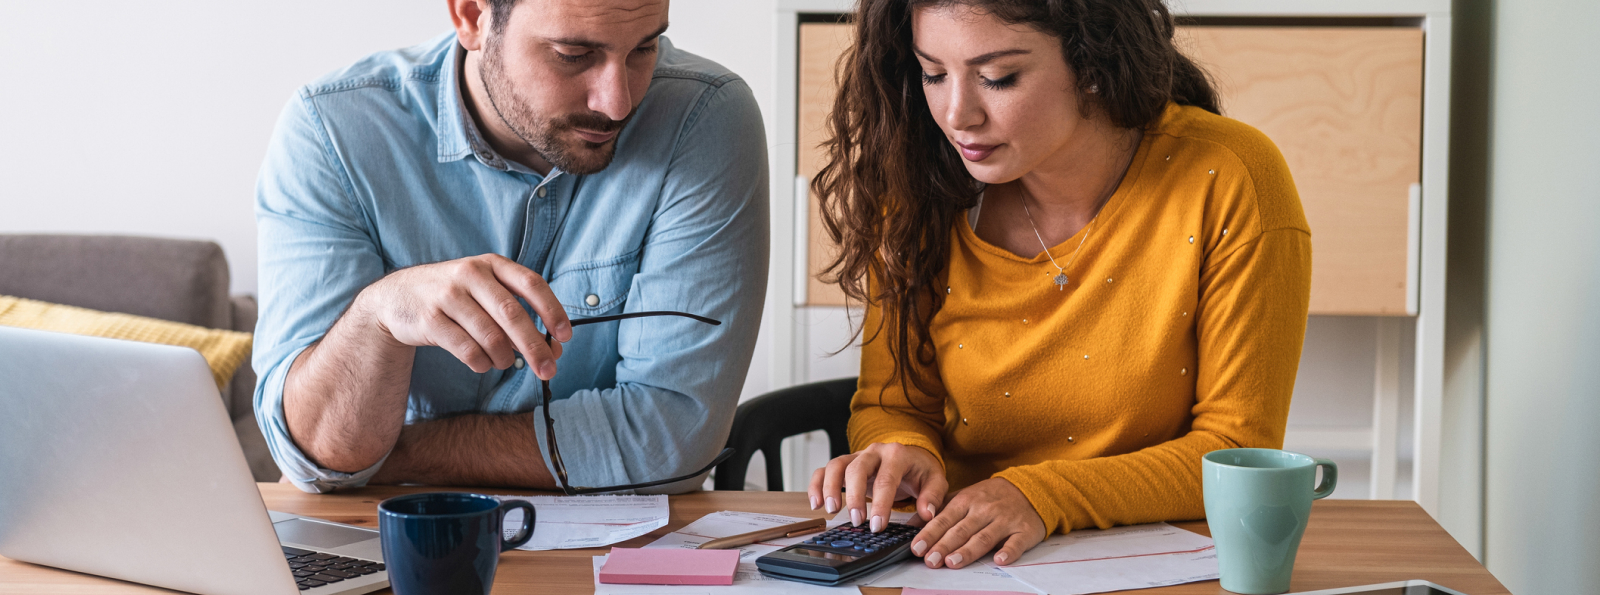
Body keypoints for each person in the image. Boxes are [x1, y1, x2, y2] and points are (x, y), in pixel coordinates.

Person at [806, 0, 1312, 570]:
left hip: (1160, 565)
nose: (957, 114)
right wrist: (904, 450)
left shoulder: (1231, 176)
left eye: (998, 78)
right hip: (958, 560)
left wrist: (1041, 496)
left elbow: (1235, 452)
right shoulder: (914, 184)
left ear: (1092, 61)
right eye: (934, 73)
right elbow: (892, 405)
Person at [252, 0, 768, 494]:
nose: (618, 102)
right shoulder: (333, 133)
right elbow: (315, 448)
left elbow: (671, 445)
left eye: (644, 48)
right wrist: (378, 316)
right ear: (472, 16)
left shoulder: (703, 116)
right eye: (574, 55)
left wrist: (393, 457)